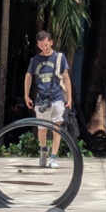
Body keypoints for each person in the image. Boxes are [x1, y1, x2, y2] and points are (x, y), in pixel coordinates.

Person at [24, 31, 72, 169]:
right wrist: (26, 95)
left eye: (46, 45)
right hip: (41, 99)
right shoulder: (35, 60)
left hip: (56, 97)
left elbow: (66, 78)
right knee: (42, 130)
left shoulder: (59, 58)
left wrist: (69, 98)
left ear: (51, 42)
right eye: (41, 46)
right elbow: (28, 76)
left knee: (57, 127)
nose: (44, 48)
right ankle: (44, 149)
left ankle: (53, 157)